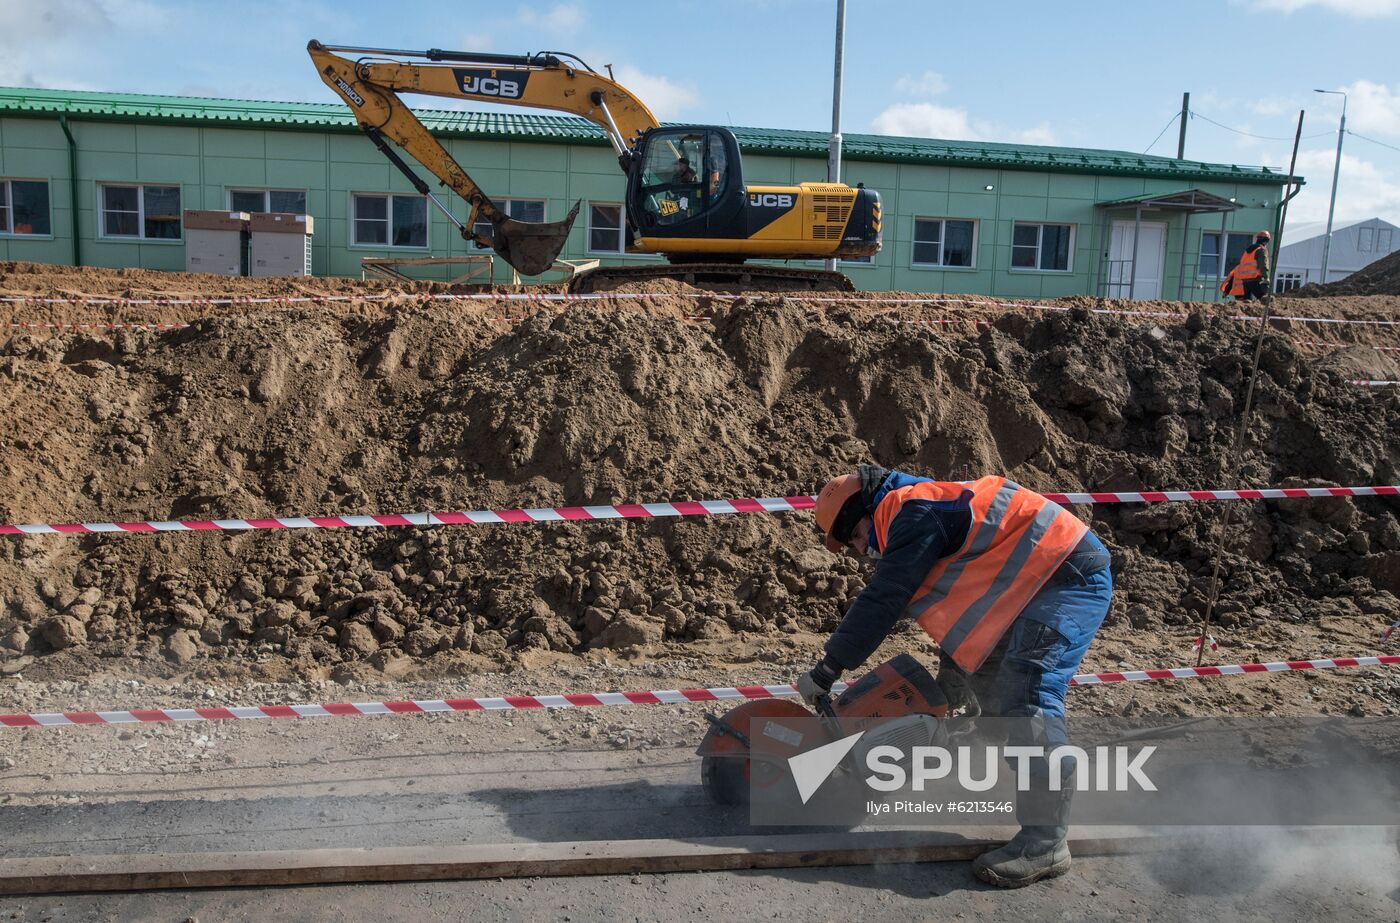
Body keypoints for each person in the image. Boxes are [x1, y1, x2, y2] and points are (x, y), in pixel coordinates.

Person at [798, 465, 1113, 888]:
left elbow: (886, 597)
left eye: (854, 537)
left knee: (1027, 693)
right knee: (986, 697)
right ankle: (985, 787)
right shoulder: (916, 508)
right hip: (1032, 582)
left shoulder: (910, 513)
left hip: (1065, 578)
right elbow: (967, 588)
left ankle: (1045, 842)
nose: (860, 550)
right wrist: (955, 675)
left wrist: (828, 668)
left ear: (863, 511)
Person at [1221, 230, 1272, 301]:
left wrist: (1226, 291)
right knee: (1263, 298)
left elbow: (1237, 271)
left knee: (1247, 301)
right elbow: (1263, 264)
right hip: (1255, 279)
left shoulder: (1247, 251)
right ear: (1266, 240)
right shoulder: (1261, 250)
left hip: (1245, 281)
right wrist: (1266, 277)